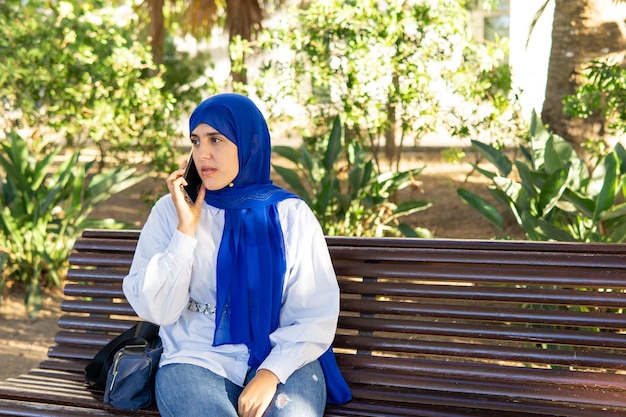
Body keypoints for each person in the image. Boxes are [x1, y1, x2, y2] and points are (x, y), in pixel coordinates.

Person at [123, 93, 351, 417]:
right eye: (195, 141)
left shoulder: (290, 215)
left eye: (215, 139)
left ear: (247, 143)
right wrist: (185, 231)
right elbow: (157, 309)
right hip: (195, 359)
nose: (203, 153)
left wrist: (271, 373)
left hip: (283, 358)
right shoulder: (170, 212)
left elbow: (314, 311)